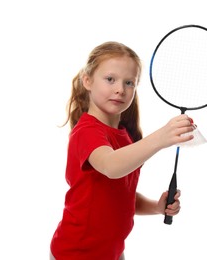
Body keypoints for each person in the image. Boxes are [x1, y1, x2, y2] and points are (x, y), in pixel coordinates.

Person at [50, 41, 195, 260]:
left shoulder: (124, 136)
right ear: (87, 81)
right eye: (110, 79)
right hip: (77, 253)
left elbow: (120, 196)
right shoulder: (87, 131)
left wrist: (156, 207)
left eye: (129, 82)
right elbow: (111, 166)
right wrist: (161, 137)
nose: (120, 89)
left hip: (112, 253)